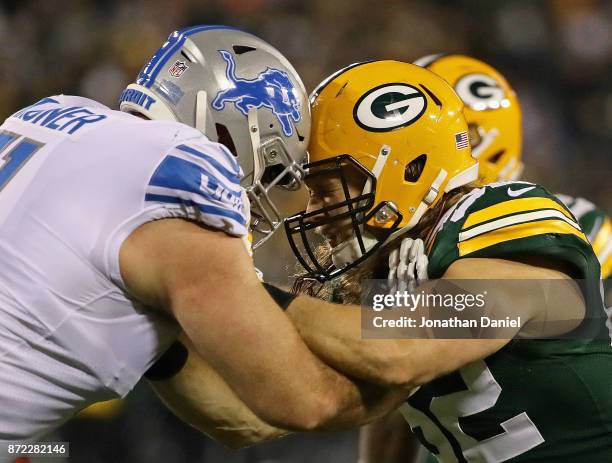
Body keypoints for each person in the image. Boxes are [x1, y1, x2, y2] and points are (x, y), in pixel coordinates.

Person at [0, 26, 407, 453]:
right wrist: (458, 319)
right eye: (269, 167)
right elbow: (309, 401)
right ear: (230, 128)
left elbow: (241, 422)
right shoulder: (184, 164)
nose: (260, 187)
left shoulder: (54, 115)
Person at [281, 60, 612, 462]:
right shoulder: (383, 276)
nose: (313, 211)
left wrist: (263, 298)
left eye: (326, 186)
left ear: (406, 168)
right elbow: (304, 403)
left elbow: (404, 350)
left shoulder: (496, 217)